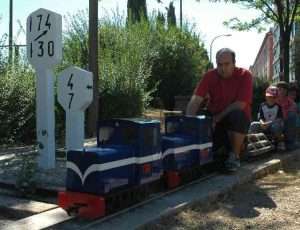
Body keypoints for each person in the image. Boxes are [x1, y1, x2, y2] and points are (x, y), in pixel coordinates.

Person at [186, 48, 253, 172]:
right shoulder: (209, 76)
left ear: (234, 63)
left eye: (227, 64)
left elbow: (240, 104)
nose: (223, 68)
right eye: (219, 65)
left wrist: (216, 119)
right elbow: (195, 100)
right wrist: (188, 122)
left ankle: (235, 155)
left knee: (238, 115)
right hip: (214, 117)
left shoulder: (245, 75)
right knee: (200, 117)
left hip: (233, 120)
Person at [276, 81, 297, 150]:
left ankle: (290, 142)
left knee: (292, 115)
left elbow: (293, 108)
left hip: (285, 122)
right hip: (274, 122)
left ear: (286, 91)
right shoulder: (273, 100)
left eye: (284, 89)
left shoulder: (290, 101)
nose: (282, 91)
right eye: (279, 89)